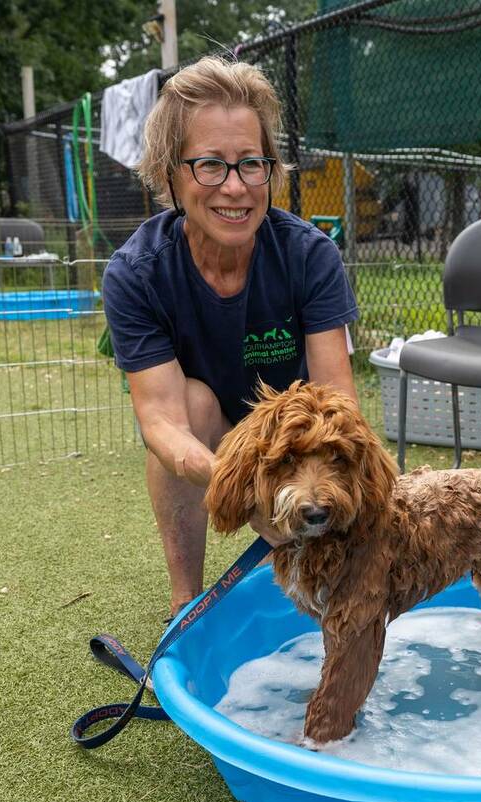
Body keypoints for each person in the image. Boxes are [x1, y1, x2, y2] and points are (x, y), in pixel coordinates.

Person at [104, 57, 358, 620]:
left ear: (272, 169)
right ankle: (186, 603)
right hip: (212, 441)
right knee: (190, 402)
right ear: (170, 172)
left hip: (297, 444)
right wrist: (246, 488)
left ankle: (328, 585)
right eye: (211, 165)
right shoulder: (137, 272)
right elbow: (162, 423)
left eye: (251, 164)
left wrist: (303, 481)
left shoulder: (309, 254)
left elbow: (339, 404)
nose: (236, 188)